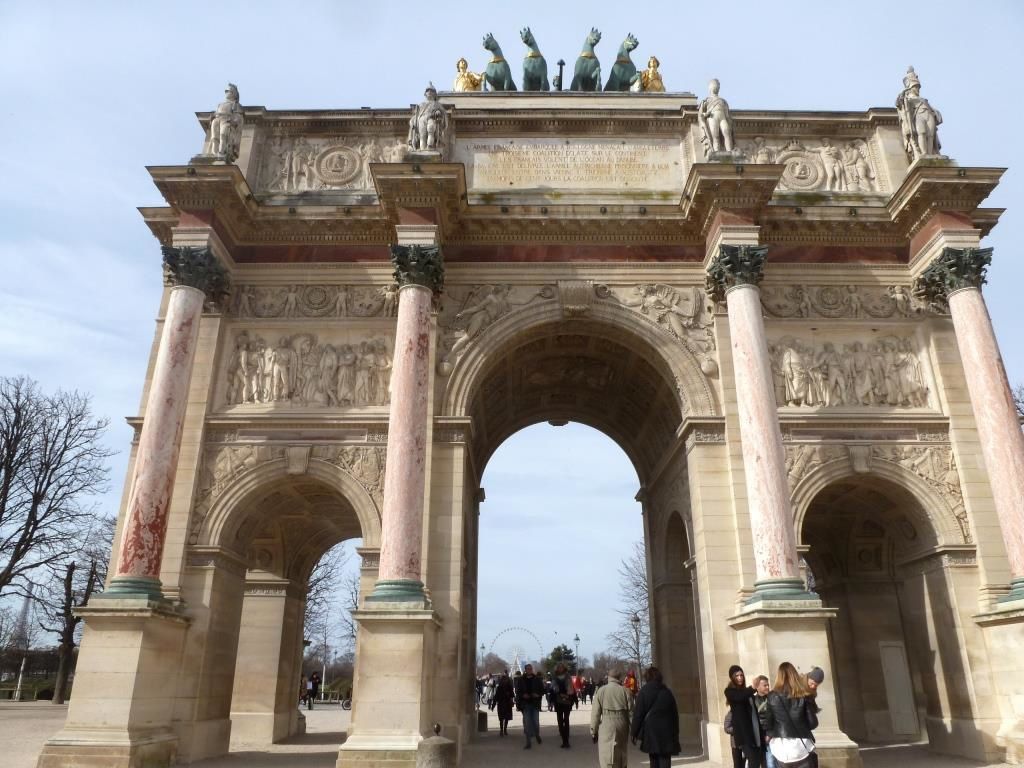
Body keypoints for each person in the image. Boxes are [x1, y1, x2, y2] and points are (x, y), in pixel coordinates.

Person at [763, 662, 817, 768]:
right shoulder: (803, 695)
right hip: (802, 746)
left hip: (781, 748)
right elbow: (813, 723)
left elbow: (769, 723)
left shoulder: (772, 696)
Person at [631, 666, 680, 768]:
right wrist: (676, 732)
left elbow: (638, 714)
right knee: (665, 760)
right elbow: (674, 714)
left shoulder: (644, 691)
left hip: (651, 731)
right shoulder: (667, 691)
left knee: (653, 761)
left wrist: (634, 733)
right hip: (667, 731)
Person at [591, 667, 633, 768]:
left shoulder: (601, 691)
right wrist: (633, 731)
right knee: (621, 751)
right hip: (622, 723)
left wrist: (594, 730)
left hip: (607, 722)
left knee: (606, 753)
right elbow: (631, 713)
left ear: (609, 677)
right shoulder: (626, 691)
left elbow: (595, 714)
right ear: (619, 678)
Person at [725, 665, 763, 768]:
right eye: (737, 675)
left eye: (741, 675)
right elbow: (739, 697)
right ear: (732, 677)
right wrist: (753, 688)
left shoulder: (747, 692)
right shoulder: (729, 691)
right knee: (750, 761)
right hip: (743, 734)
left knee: (755, 761)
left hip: (753, 732)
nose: (740, 678)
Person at [516, 663, 545, 749]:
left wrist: (538, 695)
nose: (529, 670)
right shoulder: (521, 680)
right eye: (528, 669)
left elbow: (542, 690)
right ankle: (528, 741)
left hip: (535, 703)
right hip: (526, 704)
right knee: (527, 723)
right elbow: (518, 691)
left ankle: (537, 734)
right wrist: (522, 696)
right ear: (525, 670)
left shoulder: (537, 679)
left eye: (530, 668)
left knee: (536, 722)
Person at [753, 675, 775, 768]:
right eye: (765, 685)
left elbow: (776, 717)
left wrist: (770, 734)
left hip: (771, 734)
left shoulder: (773, 698)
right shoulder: (752, 700)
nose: (768, 687)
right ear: (757, 687)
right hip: (758, 735)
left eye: (768, 685)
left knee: (771, 761)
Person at [552, 662, 575, 748]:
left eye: (562, 667)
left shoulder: (567, 676)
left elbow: (570, 687)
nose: (560, 669)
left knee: (566, 719)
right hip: (558, 700)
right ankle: (563, 738)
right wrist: (559, 693)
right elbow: (553, 687)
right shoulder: (554, 677)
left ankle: (566, 740)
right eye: (559, 667)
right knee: (560, 720)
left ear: (564, 668)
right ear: (557, 669)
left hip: (567, 700)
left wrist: (568, 694)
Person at [495, 670, 515, 737]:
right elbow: (512, 695)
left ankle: (502, 730)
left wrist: (493, 704)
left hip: (503, 704)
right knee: (505, 717)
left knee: (502, 717)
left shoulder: (500, 688)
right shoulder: (508, 687)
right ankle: (504, 730)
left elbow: (496, 697)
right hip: (505, 703)